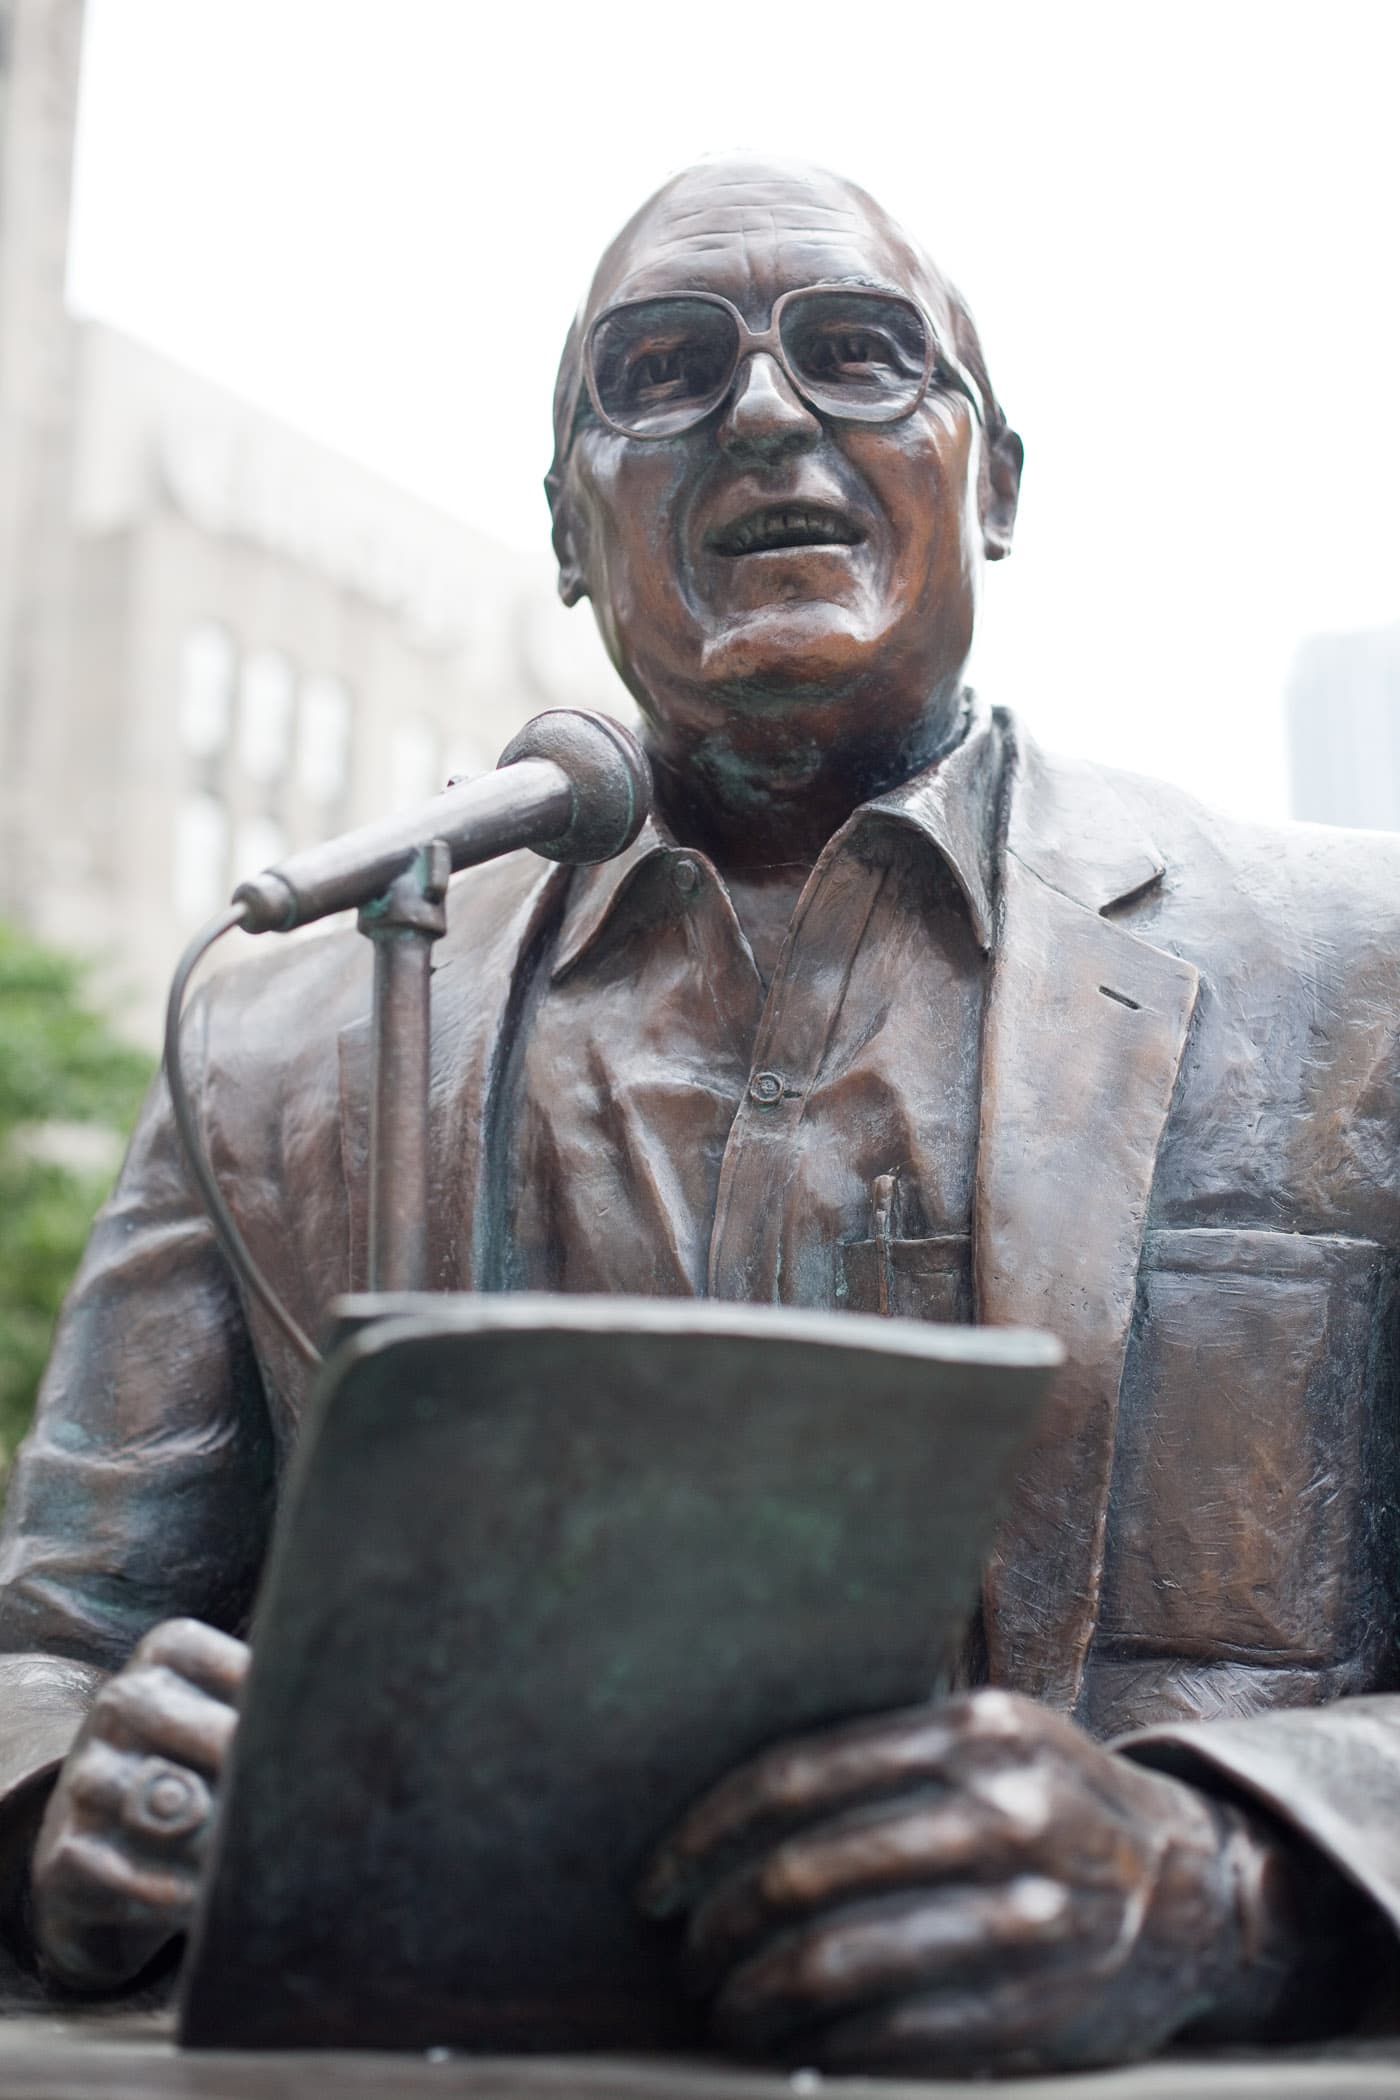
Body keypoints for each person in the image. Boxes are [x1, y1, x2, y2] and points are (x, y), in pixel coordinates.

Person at [1, 155, 1398, 2073]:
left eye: (857, 353)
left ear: (994, 482)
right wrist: (69, 1790)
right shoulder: (283, 1034)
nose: (762, 412)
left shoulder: (1360, 978)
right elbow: (50, 1648)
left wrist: (1224, 1879)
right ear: (571, 526)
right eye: (659, 370)